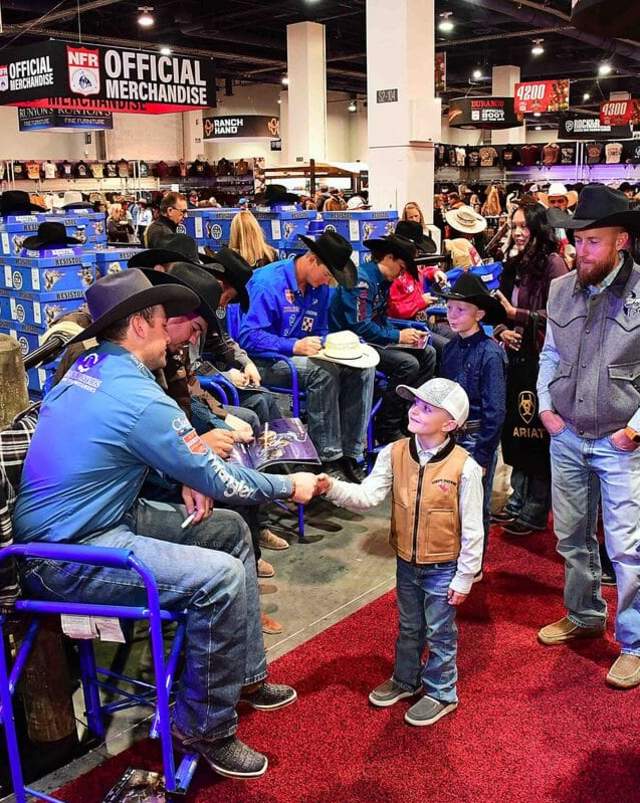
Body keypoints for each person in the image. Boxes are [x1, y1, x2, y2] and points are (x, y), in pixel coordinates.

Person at [13, 269, 319, 778]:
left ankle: (245, 674)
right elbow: (222, 479)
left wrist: (181, 469)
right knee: (218, 577)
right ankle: (205, 727)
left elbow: (115, 449)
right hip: (66, 552)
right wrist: (291, 486)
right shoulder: (138, 394)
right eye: (162, 321)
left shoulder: (90, 366)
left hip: (88, 524)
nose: (172, 331)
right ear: (139, 325)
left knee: (228, 532)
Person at [317, 378, 484, 726]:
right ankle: (406, 679)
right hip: (407, 563)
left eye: (427, 407)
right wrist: (330, 486)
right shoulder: (393, 453)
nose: (415, 410)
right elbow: (367, 498)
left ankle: (441, 691)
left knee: (439, 630)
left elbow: (473, 529)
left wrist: (465, 575)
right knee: (409, 626)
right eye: (414, 403)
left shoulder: (464, 467)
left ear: (450, 423)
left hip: (443, 567)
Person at [536, 185, 640, 689]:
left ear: (622, 240)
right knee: (571, 538)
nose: (582, 251)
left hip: (623, 442)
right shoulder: (561, 289)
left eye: (594, 242)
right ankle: (583, 614)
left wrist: (636, 429)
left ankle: (635, 643)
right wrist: (546, 408)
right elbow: (550, 355)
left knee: (627, 548)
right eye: (579, 241)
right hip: (567, 435)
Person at [238, 231, 375, 482]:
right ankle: (328, 457)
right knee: (323, 372)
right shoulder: (269, 283)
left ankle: (351, 453)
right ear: (312, 259)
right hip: (262, 362)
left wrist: (331, 346)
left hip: (303, 357)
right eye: (327, 275)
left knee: (363, 367)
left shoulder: (320, 290)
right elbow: (247, 337)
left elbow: (321, 329)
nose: (327, 283)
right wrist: (293, 345)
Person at [492, 201, 568, 536]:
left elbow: (560, 316)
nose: (518, 232)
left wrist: (516, 317)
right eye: (514, 225)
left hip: (544, 358)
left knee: (538, 433)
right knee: (518, 429)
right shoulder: (515, 264)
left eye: (524, 226)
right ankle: (517, 499)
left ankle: (537, 508)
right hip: (517, 357)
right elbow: (500, 312)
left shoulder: (554, 265)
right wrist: (501, 329)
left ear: (538, 228)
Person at [329, 233, 437, 445]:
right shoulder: (362, 282)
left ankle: (412, 417)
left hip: (371, 338)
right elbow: (360, 325)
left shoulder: (382, 282)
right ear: (388, 258)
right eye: (401, 267)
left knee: (428, 354)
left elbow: (379, 319)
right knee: (408, 364)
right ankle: (386, 425)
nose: (401, 274)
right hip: (353, 344)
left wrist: (406, 336)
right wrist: (398, 335)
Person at [439, 273, 507, 565]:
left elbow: (496, 410)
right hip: (450, 435)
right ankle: (454, 554)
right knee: (448, 500)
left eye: (460, 309)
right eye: (450, 308)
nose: (452, 315)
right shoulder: (451, 347)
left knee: (476, 504)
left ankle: (473, 561)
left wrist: (482, 454)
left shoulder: (491, 354)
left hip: (476, 435)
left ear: (479, 314)